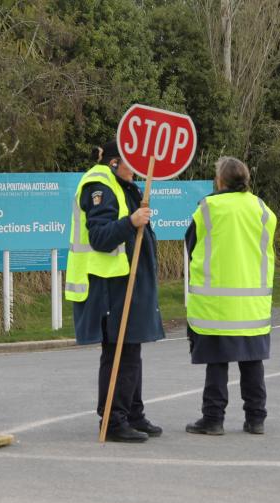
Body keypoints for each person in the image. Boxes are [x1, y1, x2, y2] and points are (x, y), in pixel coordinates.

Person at [65, 140, 165, 443]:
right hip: (109, 283)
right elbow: (99, 237)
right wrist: (131, 221)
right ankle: (112, 420)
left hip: (123, 281)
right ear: (113, 162)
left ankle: (133, 413)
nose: (135, 170)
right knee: (119, 351)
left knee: (131, 348)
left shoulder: (120, 185)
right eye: (130, 163)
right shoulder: (100, 185)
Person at [184, 156, 277, 435]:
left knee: (217, 363)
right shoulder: (262, 210)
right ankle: (256, 419)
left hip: (217, 303)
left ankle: (213, 419)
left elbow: (191, 246)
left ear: (220, 181)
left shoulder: (208, 209)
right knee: (252, 363)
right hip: (252, 303)